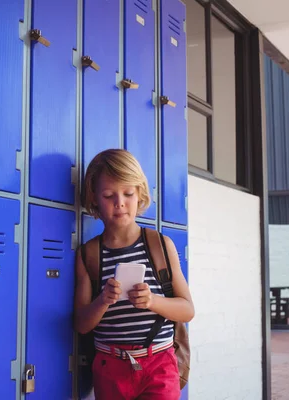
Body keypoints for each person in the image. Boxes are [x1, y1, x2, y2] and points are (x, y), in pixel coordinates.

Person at [74, 149, 194, 399]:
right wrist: (103, 301)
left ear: (140, 194)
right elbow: (82, 324)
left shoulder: (161, 245)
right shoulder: (89, 254)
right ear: (94, 198)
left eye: (128, 193)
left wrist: (153, 301)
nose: (119, 202)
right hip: (110, 367)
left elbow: (187, 310)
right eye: (109, 195)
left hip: (159, 365)